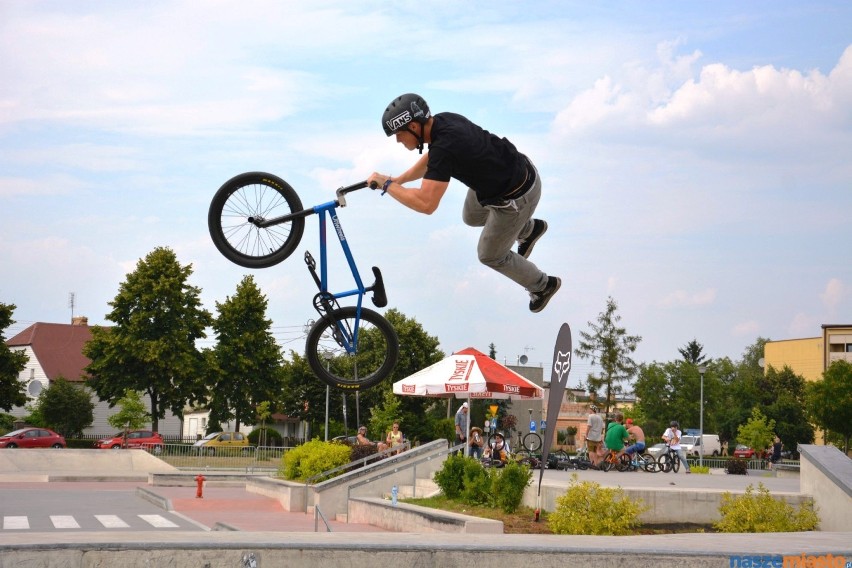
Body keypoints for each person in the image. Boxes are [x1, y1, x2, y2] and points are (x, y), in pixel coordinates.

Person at [368, 93, 561, 313]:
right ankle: (528, 229)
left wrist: (387, 186)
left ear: (413, 127)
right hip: (515, 172)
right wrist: (399, 180)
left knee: (490, 255)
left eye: (398, 134)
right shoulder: (443, 121)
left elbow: (426, 204)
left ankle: (543, 285)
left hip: (518, 197)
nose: (398, 140)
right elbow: (432, 158)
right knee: (471, 216)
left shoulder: (444, 148)